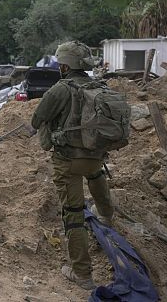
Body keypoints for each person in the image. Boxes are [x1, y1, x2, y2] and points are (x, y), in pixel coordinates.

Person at [30, 41, 115, 290]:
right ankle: (107, 215)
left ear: (65, 66)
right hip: (95, 156)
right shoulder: (99, 85)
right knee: (96, 175)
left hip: (68, 161)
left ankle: (82, 274)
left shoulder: (60, 89)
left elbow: (37, 119)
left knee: (74, 213)